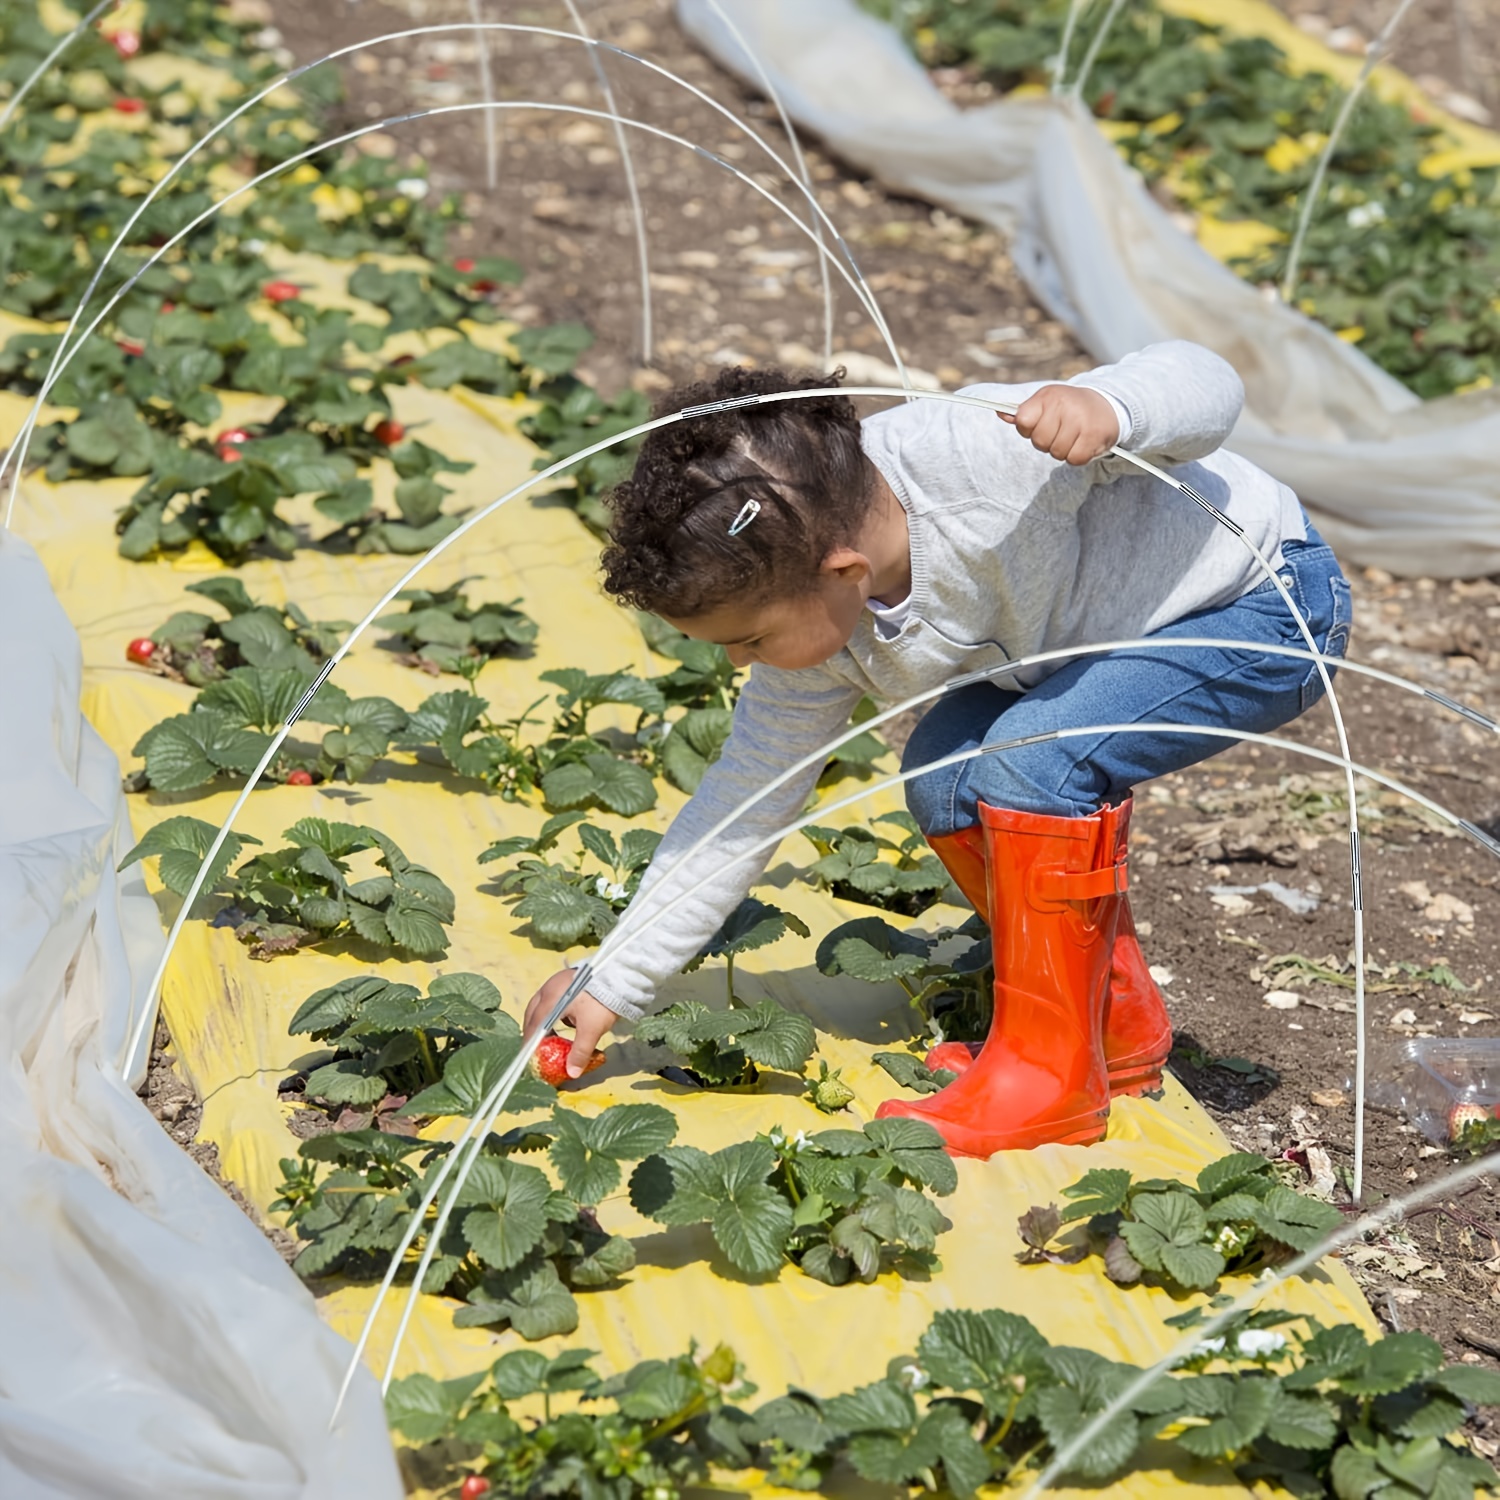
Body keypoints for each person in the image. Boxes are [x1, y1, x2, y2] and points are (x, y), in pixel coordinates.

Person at [523, 345, 1352, 1158]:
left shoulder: (987, 455)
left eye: (749, 639)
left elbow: (1208, 376)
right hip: (1096, 640)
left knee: (1033, 763)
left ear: (843, 570)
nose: (739, 663)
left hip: (1261, 601)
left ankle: (1048, 1078)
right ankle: (1107, 1025)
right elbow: (743, 803)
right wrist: (616, 979)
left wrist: (1114, 407)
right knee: (946, 780)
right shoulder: (814, 615)